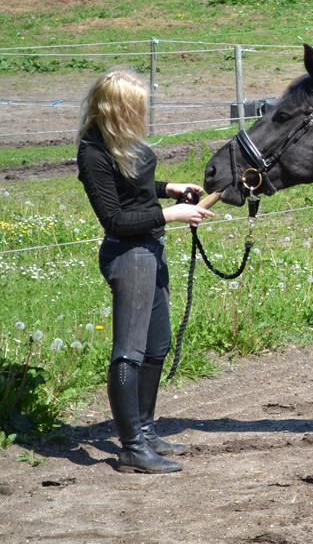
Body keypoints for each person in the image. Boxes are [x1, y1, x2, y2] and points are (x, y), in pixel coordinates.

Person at [76, 68, 214, 474]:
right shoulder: (93, 152)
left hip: (150, 249)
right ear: (118, 108)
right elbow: (115, 219)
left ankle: (147, 430)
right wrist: (169, 214)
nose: (143, 113)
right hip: (129, 254)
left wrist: (168, 188)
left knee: (157, 346)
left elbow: (134, 188)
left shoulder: (122, 143)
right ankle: (132, 447)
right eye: (137, 107)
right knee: (129, 352)